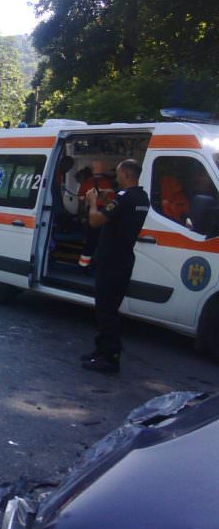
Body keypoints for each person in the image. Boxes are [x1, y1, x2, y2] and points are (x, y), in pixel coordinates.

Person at [81, 159, 149, 373]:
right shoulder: (142, 198)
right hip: (124, 259)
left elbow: (95, 220)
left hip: (111, 260)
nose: (116, 177)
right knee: (109, 307)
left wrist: (93, 201)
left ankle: (110, 357)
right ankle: (102, 350)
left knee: (105, 310)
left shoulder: (124, 199)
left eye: (118, 173)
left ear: (127, 175)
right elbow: (119, 215)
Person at [76, 167, 115, 269]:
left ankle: (83, 267)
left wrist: (80, 217)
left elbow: (81, 203)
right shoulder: (106, 182)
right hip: (106, 213)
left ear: (83, 177)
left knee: (91, 241)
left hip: (94, 212)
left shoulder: (86, 184)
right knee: (103, 240)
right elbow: (113, 203)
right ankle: (100, 265)